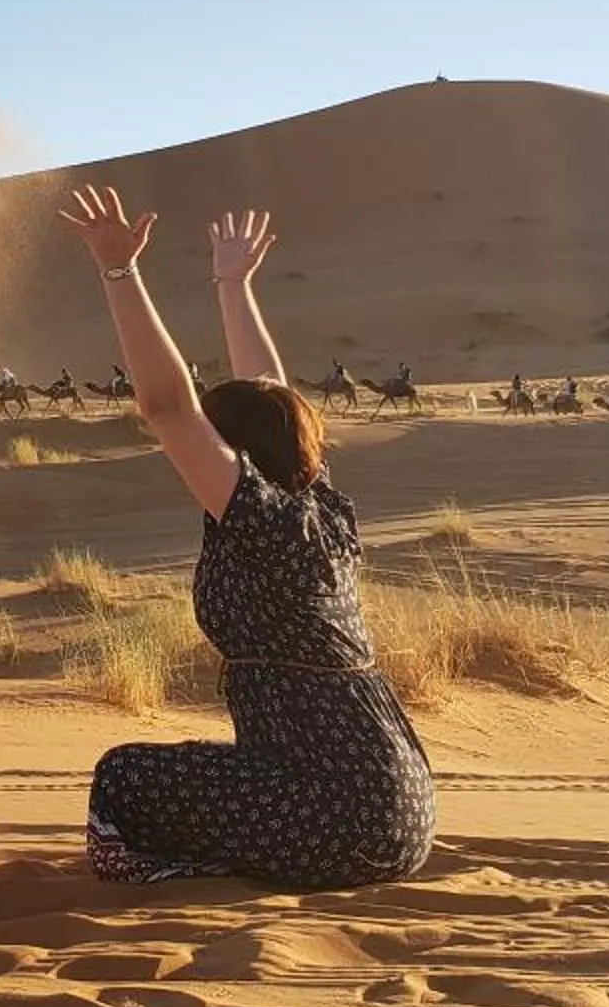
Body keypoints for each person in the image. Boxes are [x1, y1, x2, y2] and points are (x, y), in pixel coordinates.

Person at [56, 187, 433, 889]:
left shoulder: (261, 520)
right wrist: (232, 284)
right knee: (197, 772)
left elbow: (168, 406)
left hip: (338, 818)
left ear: (233, 451)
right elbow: (274, 396)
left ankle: (166, 873)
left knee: (124, 777)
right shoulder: (320, 508)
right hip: (401, 809)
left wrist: (119, 272)